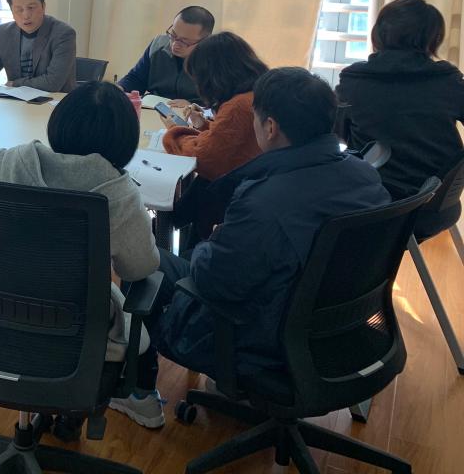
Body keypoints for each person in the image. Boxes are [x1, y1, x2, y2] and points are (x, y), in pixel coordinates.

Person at [110, 68, 391, 429]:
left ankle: (137, 392)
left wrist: (215, 240)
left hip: (266, 343)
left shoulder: (265, 201)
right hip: (341, 333)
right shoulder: (364, 174)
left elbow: (213, 281)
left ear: (270, 127)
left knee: (146, 260)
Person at [0, 81, 159, 362]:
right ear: (125, 141)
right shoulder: (120, 195)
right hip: (74, 330)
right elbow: (140, 268)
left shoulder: (5, 161)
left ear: (58, 122)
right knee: (140, 336)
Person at [337, 0, 464, 219]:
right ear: (433, 39)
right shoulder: (448, 81)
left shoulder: (354, 80)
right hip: (435, 207)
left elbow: (336, 134)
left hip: (369, 209)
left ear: (378, 33)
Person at [162, 32, 266, 242]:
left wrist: (174, 131)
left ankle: (168, 239)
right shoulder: (255, 93)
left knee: (182, 198)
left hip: (230, 197)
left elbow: (206, 158)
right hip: (253, 188)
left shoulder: (238, 106)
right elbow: (232, 140)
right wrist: (204, 126)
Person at [119, 6, 215, 104]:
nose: (175, 44)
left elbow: (219, 103)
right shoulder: (158, 45)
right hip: (154, 107)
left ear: (205, 41)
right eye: (173, 35)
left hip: (192, 112)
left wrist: (194, 106)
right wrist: (119, 89)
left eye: (184, 41)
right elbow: (136, 79)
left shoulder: (215, 61)